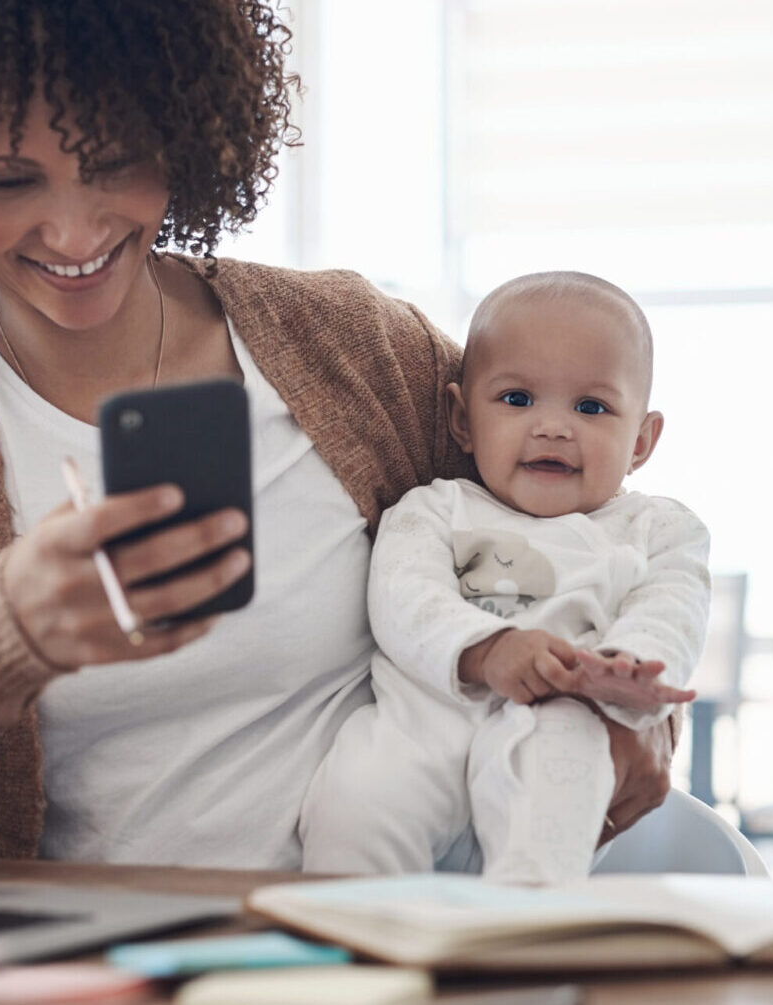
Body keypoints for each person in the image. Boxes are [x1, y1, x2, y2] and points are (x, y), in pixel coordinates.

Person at [0, 0, 677, 868]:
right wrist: (1, 634)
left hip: (378, 937)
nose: (72, 229)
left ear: (188, 130)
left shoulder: (353, 345)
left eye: (113, 161)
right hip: (82, 953)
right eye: (7, 179)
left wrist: (624, 717)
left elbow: (580, 526)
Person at [301, 272, 710, 884]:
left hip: (565, 711)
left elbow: (673, 608)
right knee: (356, 801)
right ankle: (354, 939)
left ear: (642, 441)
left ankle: (525, 922)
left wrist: (629, 667)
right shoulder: (434, 510)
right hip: (424, 725)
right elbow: (403, 598)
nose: (553, 427)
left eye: (591, 407)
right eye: (517, 399)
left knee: (560, 783)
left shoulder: (658, 529)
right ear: (462, 419)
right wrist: (487, 649)